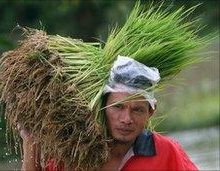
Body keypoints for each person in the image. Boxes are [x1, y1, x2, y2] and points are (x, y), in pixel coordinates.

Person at [19, 56, 198, 171]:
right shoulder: (75, 153)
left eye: (137, 110)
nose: (127, 119)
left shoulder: (166, 152)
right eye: (118, 107)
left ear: (151, 112)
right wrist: (29, 141)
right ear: (102, 107)